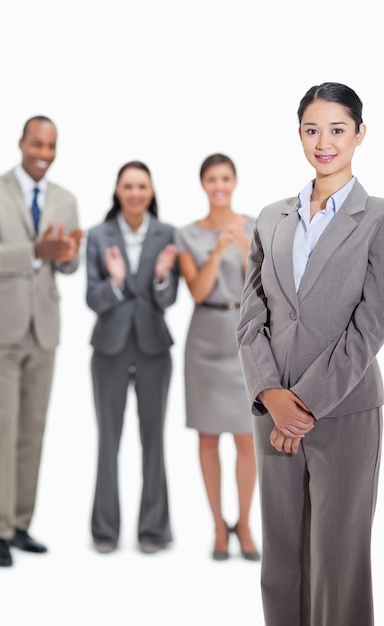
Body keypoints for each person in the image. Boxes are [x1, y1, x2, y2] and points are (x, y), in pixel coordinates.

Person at [237, 82, 384, 626]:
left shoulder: (377, 218)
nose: (324, 142)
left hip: (344, 411)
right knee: (281, 563)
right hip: (271, 410)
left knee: (338, 561)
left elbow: (370, 326)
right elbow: (251, 313)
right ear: (299, 133)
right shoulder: (271, 217)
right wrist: (271, 396)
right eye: (312, 129)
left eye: (337, 129)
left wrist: (302, 406)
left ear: (360, 134)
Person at [0, 115, 83, 567]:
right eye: (37, 144)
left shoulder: (65, 199)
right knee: (3, 425)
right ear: (21, 143)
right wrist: (37, 251)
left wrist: (67, 255)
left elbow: (66, 266)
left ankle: (19, 524)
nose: (43, 153)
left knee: (32, 431)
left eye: (51, 146)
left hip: (44, 328)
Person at [86, 161, 178, 555]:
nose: (136, 192)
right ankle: (104, 531)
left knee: (153, 439)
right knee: (109, 440)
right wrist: (117, 282)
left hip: (154, 347)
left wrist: (160, 276)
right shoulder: (97, 235)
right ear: (118, 191)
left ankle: (154, 529)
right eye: (129, 186)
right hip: (109, 346)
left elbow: (169, 298)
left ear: (151, 191)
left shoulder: (167, 234)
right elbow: (92, 298)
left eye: (142, 186)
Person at [175, 153, 260, 561]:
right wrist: (216, 251)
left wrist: (243, 249)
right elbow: (197, 290)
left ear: (235, 181)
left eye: (225, 177)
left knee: (248, 438)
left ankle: (244, 523)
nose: (219, 185)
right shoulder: (187, 234)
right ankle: (217, 527)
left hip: (245, 338)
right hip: (205, 341)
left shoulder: (255, 227)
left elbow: (263, 289)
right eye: (212, 178)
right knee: (208, 437)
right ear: (203, 184)